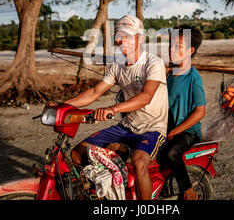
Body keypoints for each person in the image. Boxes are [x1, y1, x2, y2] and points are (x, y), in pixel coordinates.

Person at [65, 14, 168, 200]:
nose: (122, 40)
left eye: (128, 35)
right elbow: (95, 92)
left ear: (141, 38)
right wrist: (62, 106)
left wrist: (113, 109)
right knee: (77, 153)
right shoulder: (118, 65)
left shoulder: (153, 63)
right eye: (119, 35)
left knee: (138, 163)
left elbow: (145, 97)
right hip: (127, 126)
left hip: (152, 128)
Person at [159, 25, 206, 200]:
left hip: (188, 132)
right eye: (170, 45)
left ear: (190, 50)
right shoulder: (170, 75)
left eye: (177, 46)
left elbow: (200, 112)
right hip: (168, 128)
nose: (171, 50)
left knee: (171, 154)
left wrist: (174, 132)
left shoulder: (193, 77)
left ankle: (188, 190)